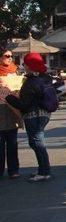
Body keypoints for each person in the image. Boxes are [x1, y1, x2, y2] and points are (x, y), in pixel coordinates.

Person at [5, 53, 52, 182]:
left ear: (30, 65)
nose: (23, 65)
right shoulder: (45, 77)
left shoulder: (31, 82)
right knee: (37, 142)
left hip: (33, 115)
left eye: (25, 63)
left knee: (37, 143)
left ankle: (44, 171)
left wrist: (9, 96)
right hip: (45, 114)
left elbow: (23, 104)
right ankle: (43, 169)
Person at [0, 48, 21, 179]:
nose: (10, 58)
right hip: (0, 110)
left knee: (12, 142)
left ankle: (13, 170)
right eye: (7, 56)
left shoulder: (15, 70)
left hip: (12, 110)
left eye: (11, 56)